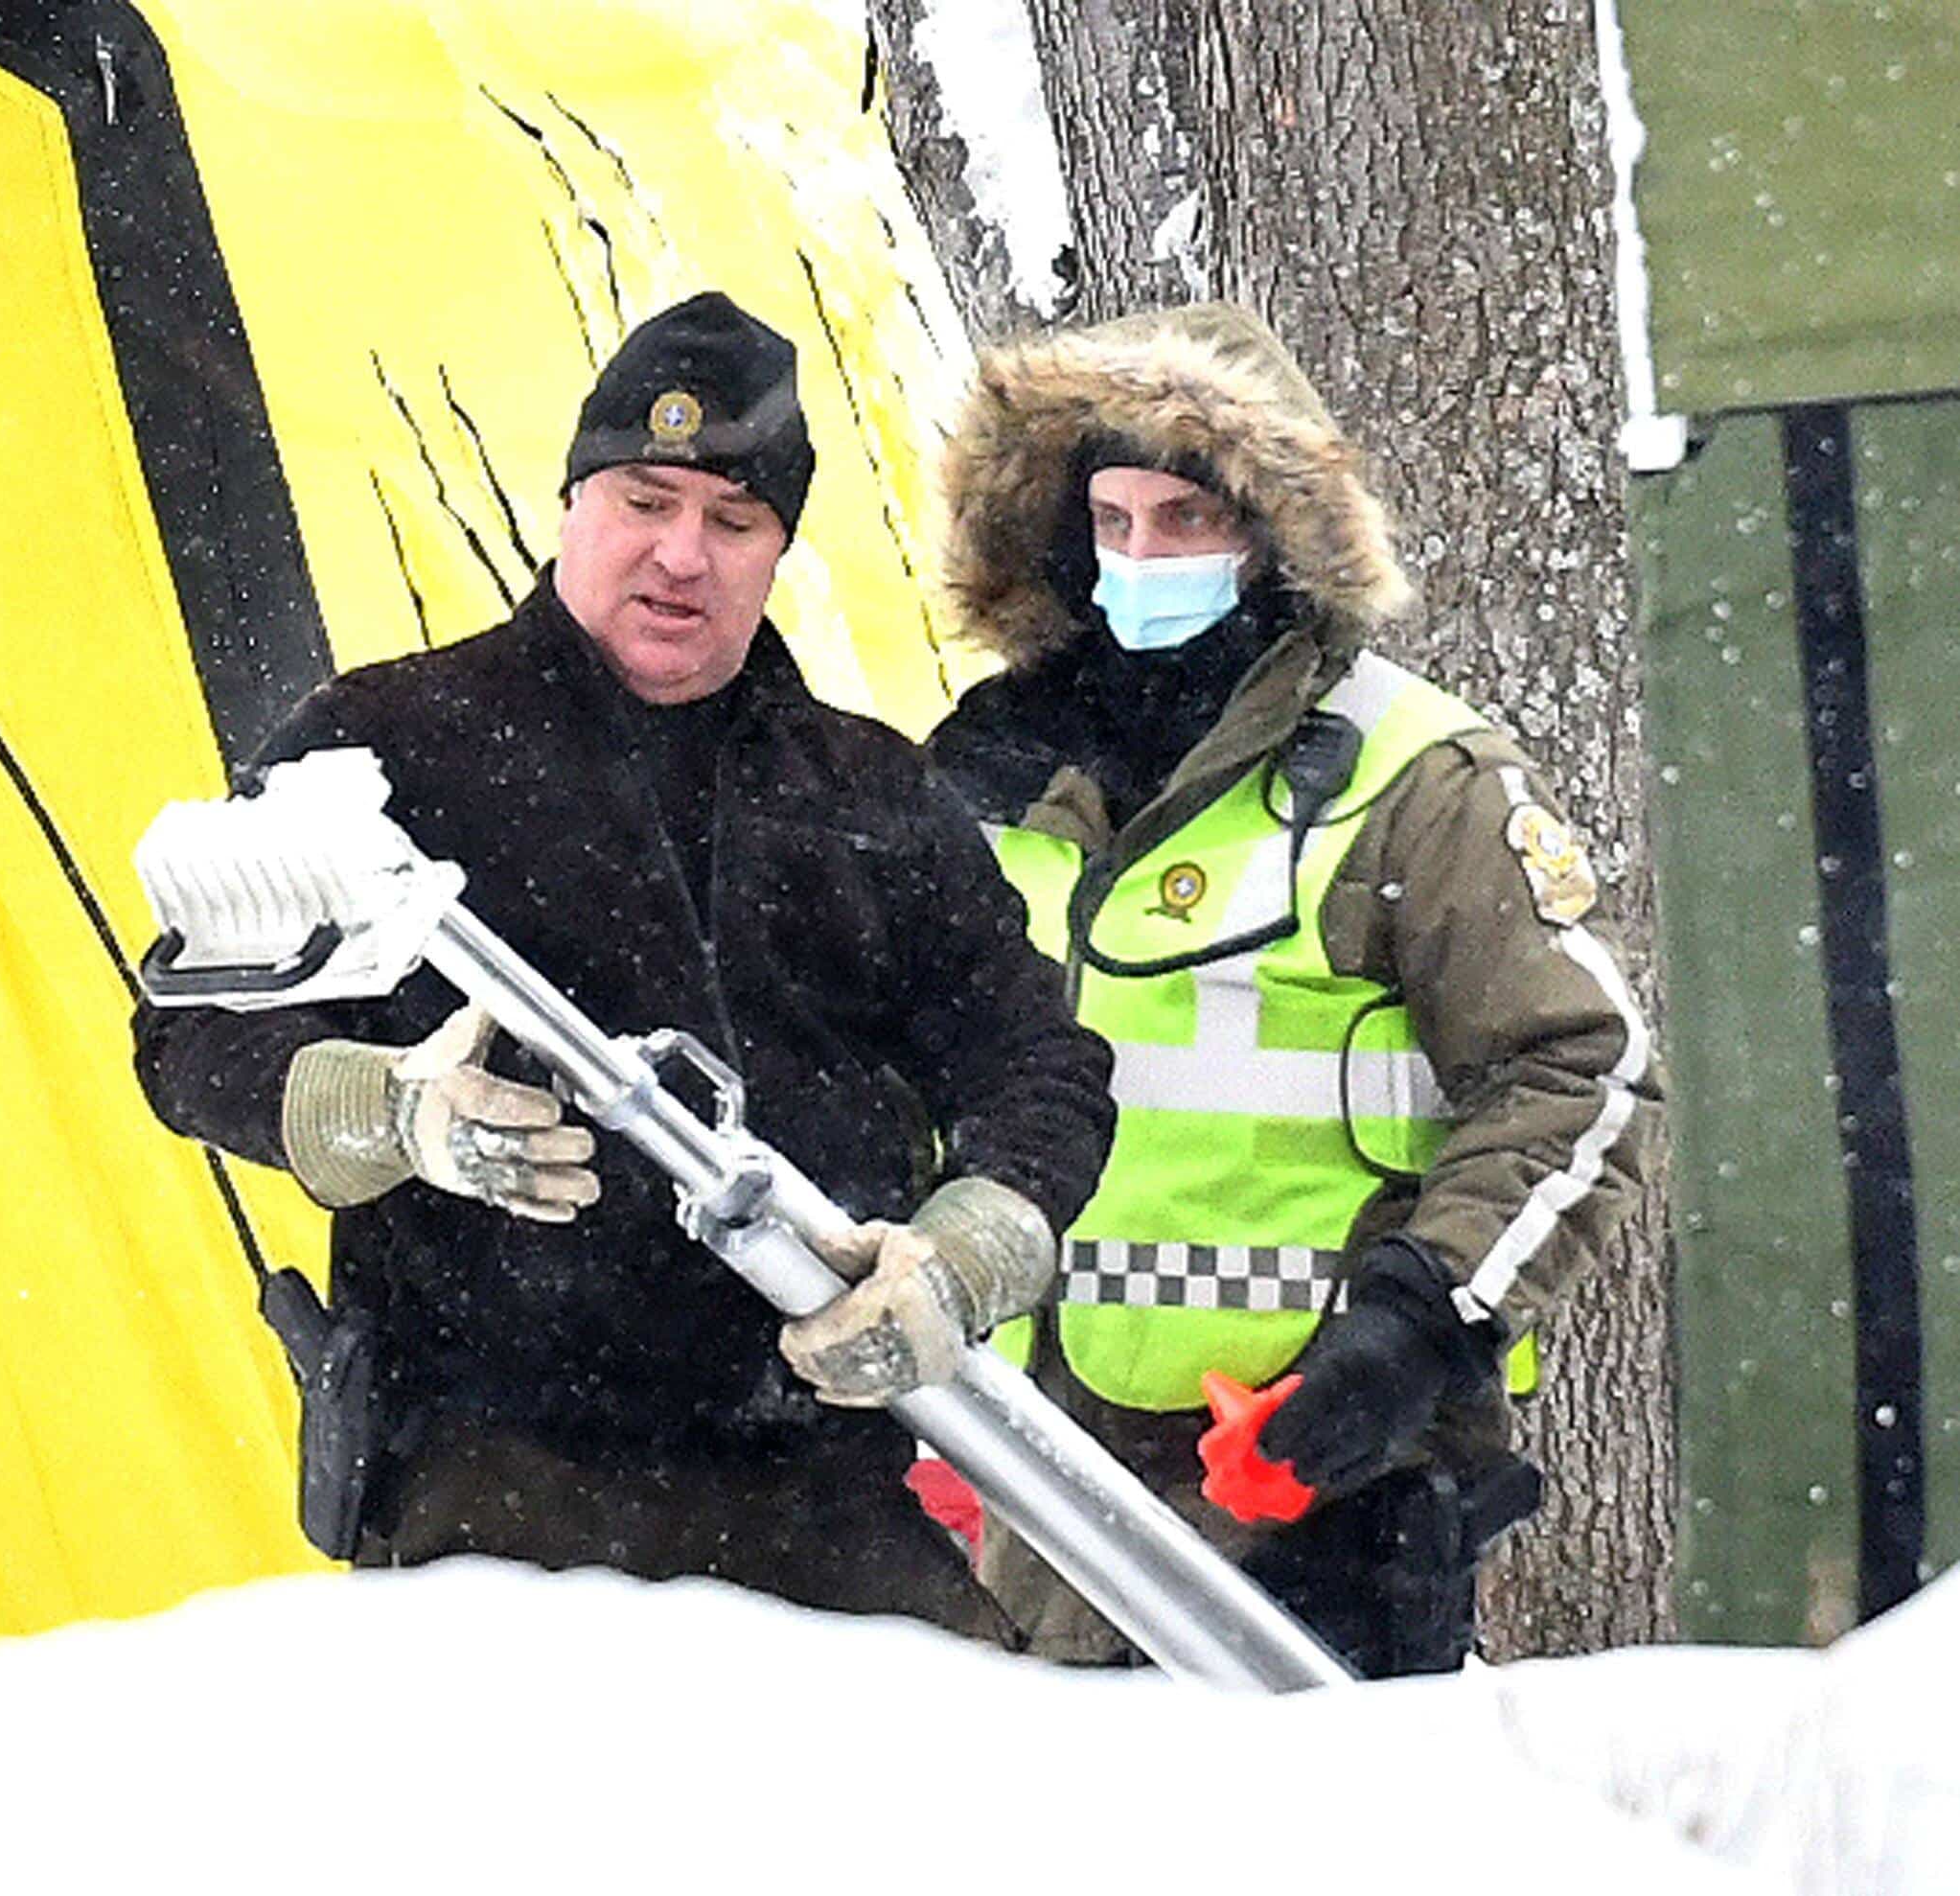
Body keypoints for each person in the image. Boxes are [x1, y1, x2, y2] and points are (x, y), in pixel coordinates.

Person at [133, 291, 1115, 1641]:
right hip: (491, 1482)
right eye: (643, 499)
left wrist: (966, 1252)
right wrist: (386, 1111)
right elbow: (188, 1033)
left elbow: (1036, 1063)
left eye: (732, 519)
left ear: (777, 549)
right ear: (572, 503)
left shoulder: (870, 795)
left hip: (811, 1467)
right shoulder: (382, 748)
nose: (680, 555)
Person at [923, 303, 1663, 1676]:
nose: (1141, 558)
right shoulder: (981, 779)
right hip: (1011, 1483)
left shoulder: (1413, 777)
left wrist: (1415, 1324)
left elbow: (1583, 1073)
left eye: (1187, 520)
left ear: (1272, 537)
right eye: (1112, 520)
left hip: (1319, 1479)